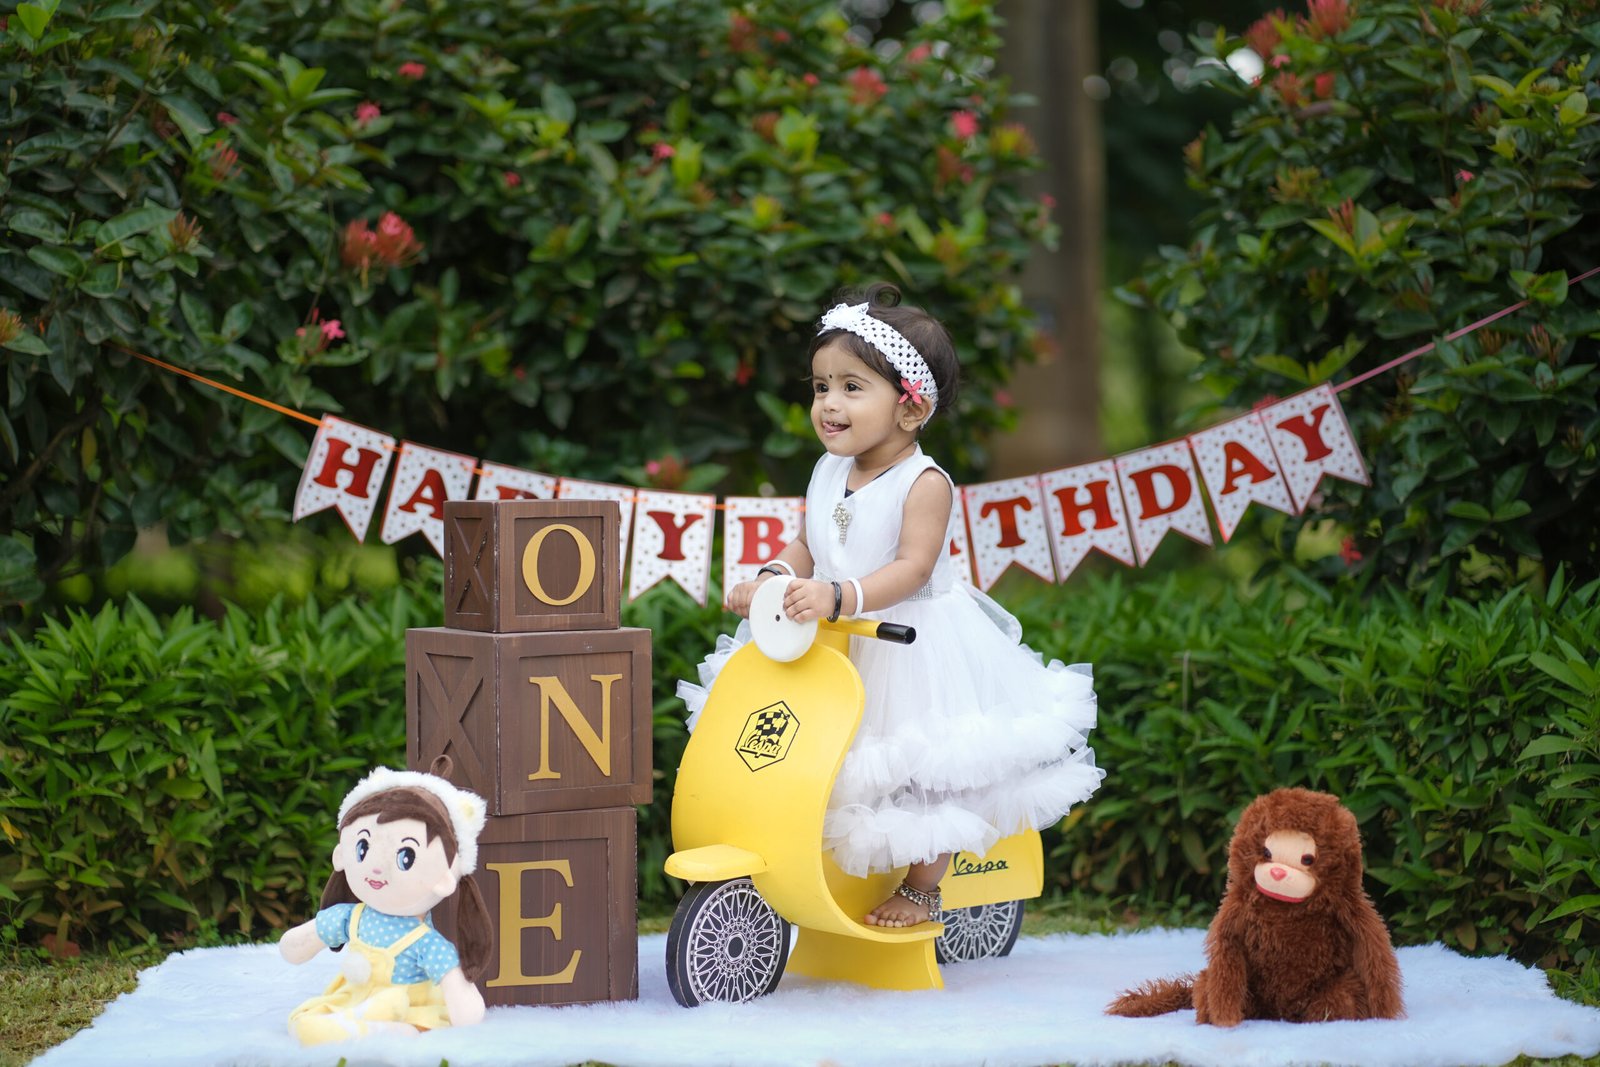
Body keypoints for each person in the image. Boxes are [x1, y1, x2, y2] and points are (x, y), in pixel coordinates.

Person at [678, 282, 1104, 928]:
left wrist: (839, 595)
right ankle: (819, 873)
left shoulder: (922, 482)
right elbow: (809, 542)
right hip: (833, 637)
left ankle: (923, 885)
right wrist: (771, 577)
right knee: (821, 756)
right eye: (821, 386)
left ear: (911, 408)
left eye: (852, 387)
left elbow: (913, 567)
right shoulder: (828, 469)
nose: (829, 403)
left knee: (921, 768)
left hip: (908, 643)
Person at [278, 757, 493, 1045]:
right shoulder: (350, 917)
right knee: (302, 1020)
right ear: (341, 855)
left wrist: (465, 1009)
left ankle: (370, 1026)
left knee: (320, 1027)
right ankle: (369, 1024)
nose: (377, 867)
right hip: (353, 997)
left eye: (406, 857)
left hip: (409, 1004)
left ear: (444, 879)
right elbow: (295, 946)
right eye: (363, 848)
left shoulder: (425, 943)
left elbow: (462, 1001)